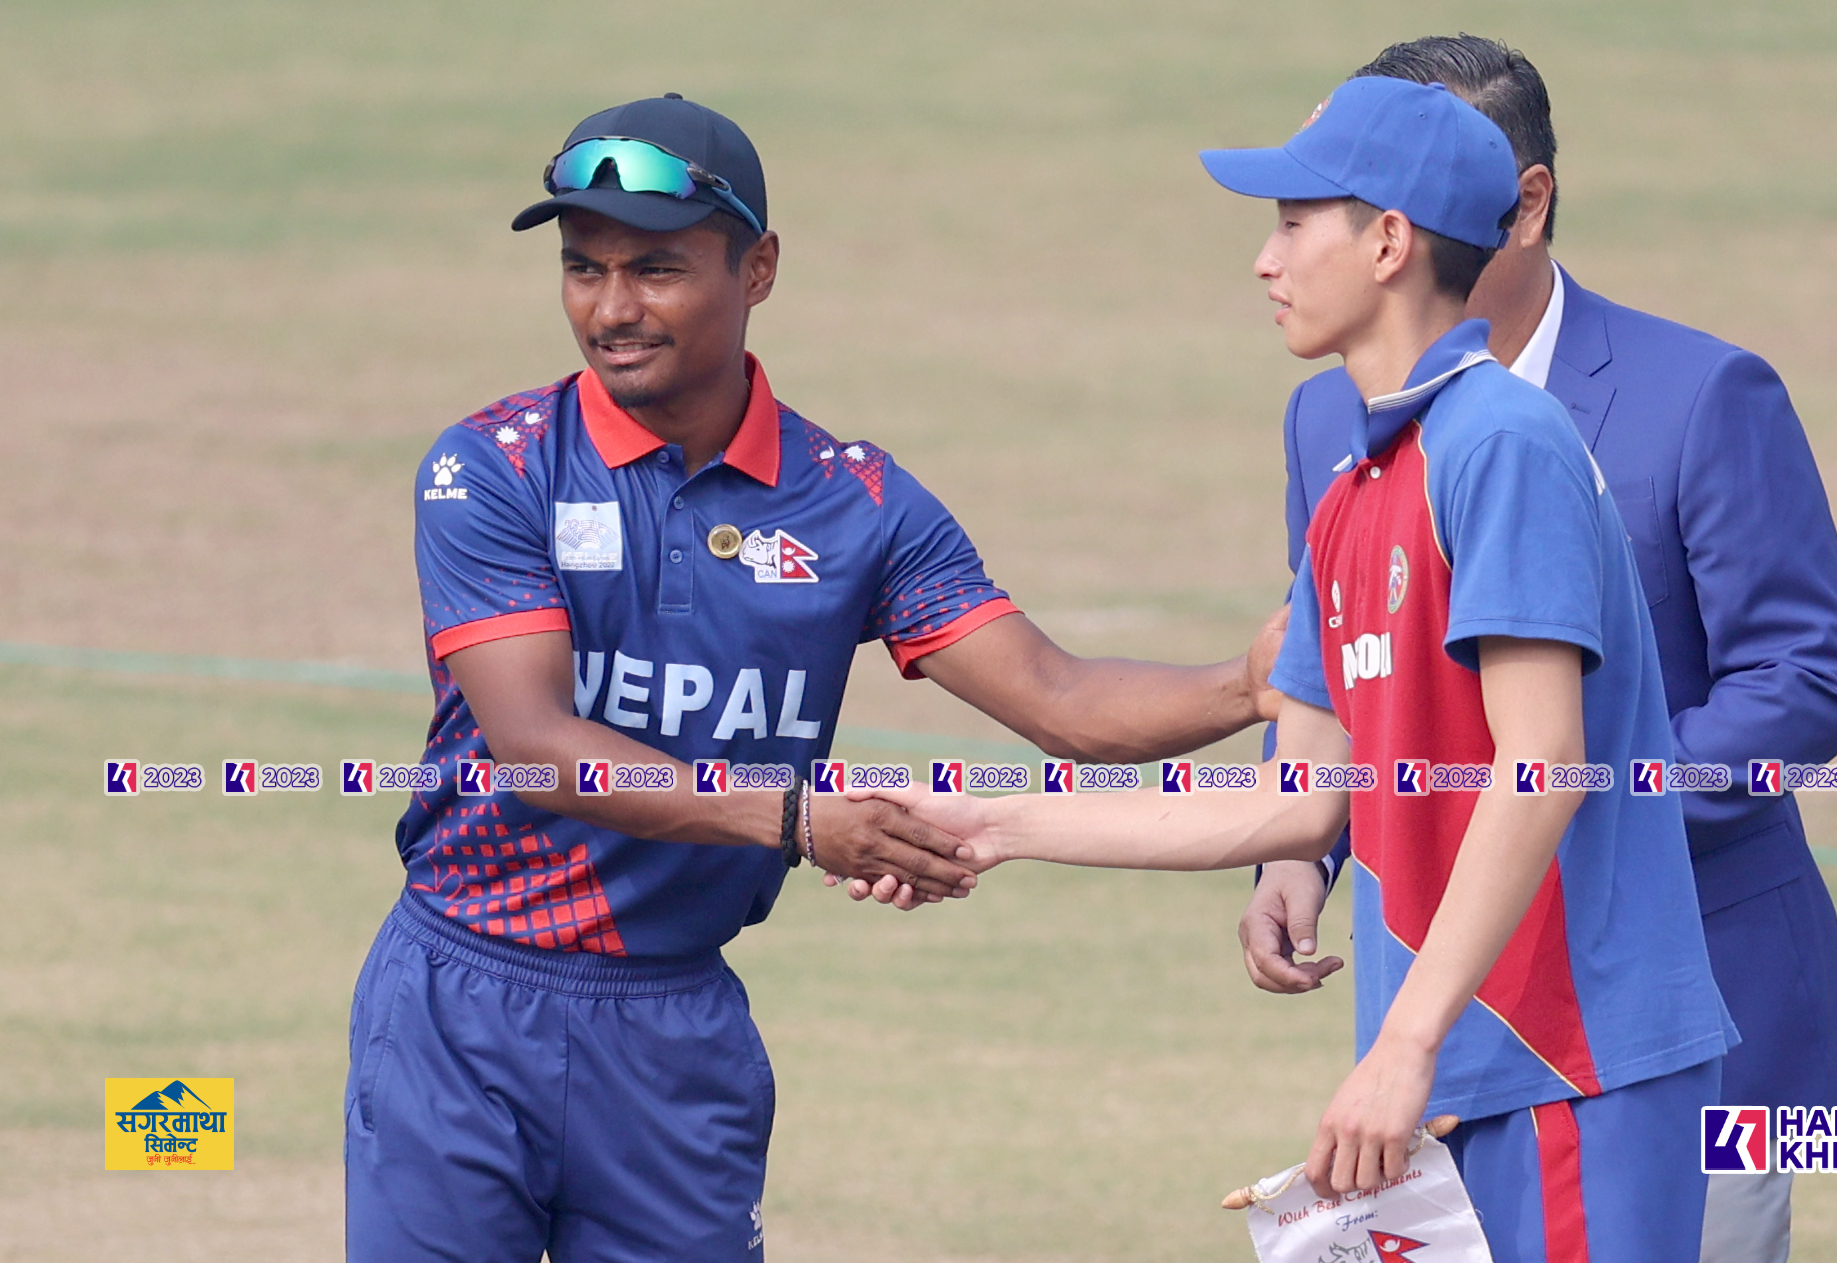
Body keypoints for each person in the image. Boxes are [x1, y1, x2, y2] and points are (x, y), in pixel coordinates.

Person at [347, 93, 1283, 1262]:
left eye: (656, 269)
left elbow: (1066, 704)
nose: (612, 308)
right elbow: (536, 748)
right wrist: (799, 820)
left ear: (759, 268)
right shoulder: (494, 468)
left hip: (673, 1033)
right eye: (584, 268)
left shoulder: (857, 503)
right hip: (460, 1010)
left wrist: (1251, 682)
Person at [869, 74, 1733, 1263]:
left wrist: (1405, 1044)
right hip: (1453, 1063)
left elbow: (1542, 766)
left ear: (1389, 243)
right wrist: (993, 824)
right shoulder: (1352, 491)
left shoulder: (1502, 444)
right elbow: (1302, 801)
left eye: (1291, 223)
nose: (1264, 261)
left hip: (1571, 1069)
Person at [1240, 38, 1837, 1263]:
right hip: (1455, 1027)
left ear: (1523, 202)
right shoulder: (1328, 410)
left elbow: (1807, 677)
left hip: (1689, 1012)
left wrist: (1592, 818)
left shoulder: (1702, 394)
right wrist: (1297, 853)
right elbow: (1354, 662)